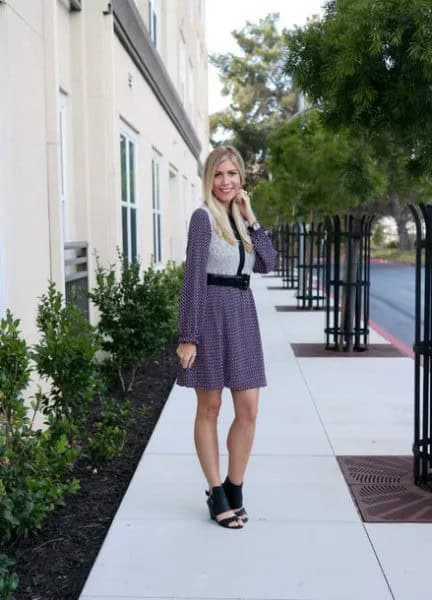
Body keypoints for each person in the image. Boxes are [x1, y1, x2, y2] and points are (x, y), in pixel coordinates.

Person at [176, 145, 277, 529]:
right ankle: (216, 491)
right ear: (209, 179)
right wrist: (189, 335)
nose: (226, 181)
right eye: (218, 174)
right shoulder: (203, 218)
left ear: (242, 178)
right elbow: (193, 279)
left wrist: (252, 219)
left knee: (248, 409)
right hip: (210, 315)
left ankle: (236, 486)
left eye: (232, 174)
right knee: (210, 408)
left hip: (242, 314)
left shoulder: (241, 218)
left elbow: (268, 262)